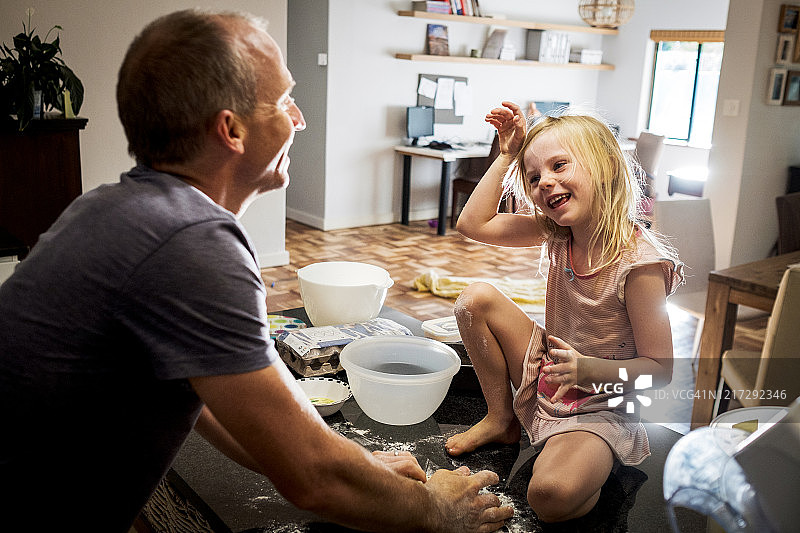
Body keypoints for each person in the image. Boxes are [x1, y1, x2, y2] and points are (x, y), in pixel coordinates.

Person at [0, 10, 513, 532]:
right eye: (284, 100)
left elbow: (204, 394)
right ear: (232, 130)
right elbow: (313, 479)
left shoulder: (113, 207)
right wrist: (437, 509)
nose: (299, 118)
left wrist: (357, 464)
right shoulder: (190, 242)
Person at [445, 101, 683, 523]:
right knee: (474, 299)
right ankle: (502, 419)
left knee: (549, 495)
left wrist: (588, 370)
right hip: (552, 370)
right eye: (534, 176)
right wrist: (507, 155)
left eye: (559, 165)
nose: (545, 183)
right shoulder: (559, 232)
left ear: (607, 167)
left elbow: (660, 369)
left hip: (604, 403)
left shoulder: (640, 266)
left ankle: (595, 457)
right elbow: (472, 224)